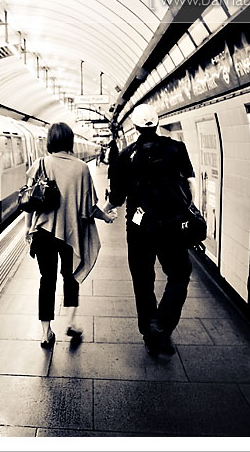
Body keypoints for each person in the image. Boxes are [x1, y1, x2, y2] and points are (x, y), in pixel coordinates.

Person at [102, 104, 197, 357]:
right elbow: (190, 183)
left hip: (138, 227)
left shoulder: (124, 156)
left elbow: (117, 198)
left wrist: (103, 212)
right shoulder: (176, 148)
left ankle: (149, 331)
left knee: (142, 280)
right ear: (156, 124)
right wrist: (190, 209)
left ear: (133, 127)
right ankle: (162, 326)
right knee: (179, 274)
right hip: (172, 225)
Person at [25, 122, 117, 348]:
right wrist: (106, 217)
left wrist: (28, 229)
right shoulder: (81, 168)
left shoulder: (40, 164)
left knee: (46, 280)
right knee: (71, 275)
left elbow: (29, 202)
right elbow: (88, 207)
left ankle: (46, 333)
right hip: (71, 233)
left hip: (43, 232)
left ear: (50, 141)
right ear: (70, 141)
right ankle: (72, 321)